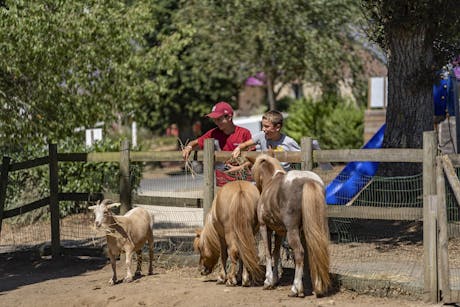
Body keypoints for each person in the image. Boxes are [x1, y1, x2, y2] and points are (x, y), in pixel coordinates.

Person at [232, 110, 332, 171]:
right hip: (266, 175)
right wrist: (239, 147)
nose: (263, 129)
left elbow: (302, 158)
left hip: (283, 176)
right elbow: (245, 144)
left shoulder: (288, 142)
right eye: (263, 126)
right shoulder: (261, 136)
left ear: (277, 127)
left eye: (267, 126)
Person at [182, 101, 253, 186]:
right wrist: (189, 147)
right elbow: (195, 142)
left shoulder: (244, 133)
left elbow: (253, 158)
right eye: (214, 120)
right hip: (223, 181)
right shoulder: (213, 133)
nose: (216, 122)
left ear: (229, 117)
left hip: (242, 179)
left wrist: (238, 168)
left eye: (219, 119)